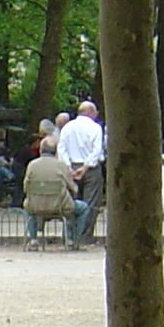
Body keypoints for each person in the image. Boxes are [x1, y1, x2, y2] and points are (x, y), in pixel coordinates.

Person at [57, 100, 107, 248]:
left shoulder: (67, 127)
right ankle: (84, 236)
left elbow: (62, 148)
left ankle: (69, 235)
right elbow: (96, 150)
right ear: (91, 112)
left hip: (71, 166)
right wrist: (84, 168)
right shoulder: (95, 127)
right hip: (90, 168)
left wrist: (69, 168)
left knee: (70, 203)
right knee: (91, 203)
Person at [21, 136, 79, 247]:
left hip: (36, 206)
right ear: (56, 152)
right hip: (60, 205)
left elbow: (25, 187)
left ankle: (33, 239)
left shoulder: (32, 165)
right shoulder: (62, 165)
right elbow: (73, 188)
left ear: (41, 150)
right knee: (83, 208)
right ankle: (72, 239)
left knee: (27, 209)